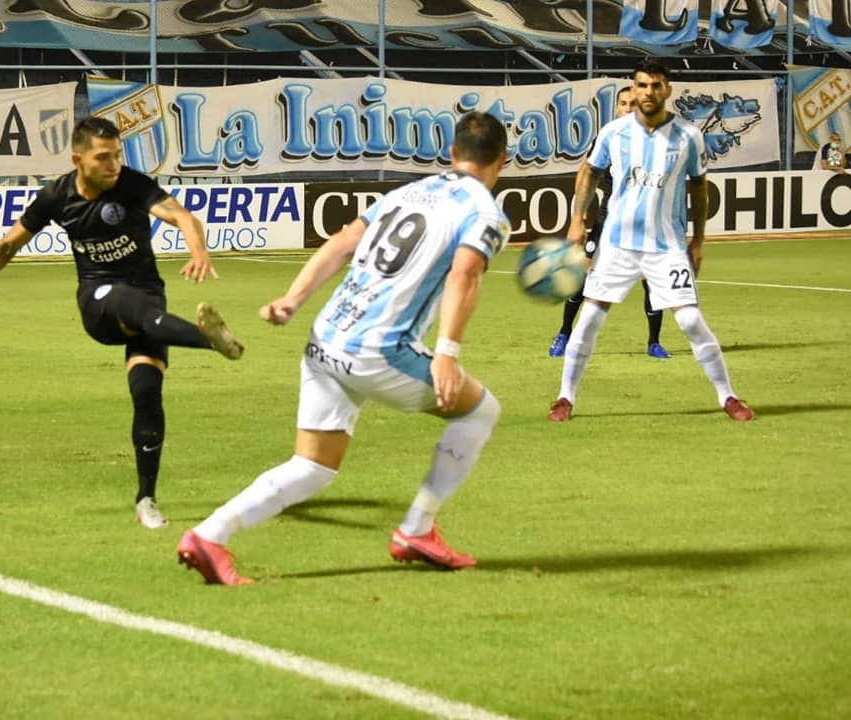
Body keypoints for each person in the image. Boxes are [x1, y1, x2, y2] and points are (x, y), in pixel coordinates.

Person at [176, 112, 512, 585]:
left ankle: (210, 536)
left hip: (327, 338)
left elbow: (342, 242)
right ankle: (416, 529)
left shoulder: (407, 192)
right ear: (503, 160)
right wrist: (446, 353)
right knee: (480, 411)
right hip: (379, 352)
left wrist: (293, 298)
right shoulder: (485, 212)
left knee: (312, 467)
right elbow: (466, 274)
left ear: (452, 155)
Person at [0, 116, 245, 530]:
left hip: (151, 305)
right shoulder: (56, 197)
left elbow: (182, 216)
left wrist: (198, 250)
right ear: (78, 159)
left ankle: (146, 499)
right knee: (129, 303)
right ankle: (207, 339)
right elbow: (5, 247)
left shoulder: (132, 185)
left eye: (118, 156)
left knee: (147, 392)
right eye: (103, 157)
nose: (114, 165)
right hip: (100, 303)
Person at [548, 59, 754, 423]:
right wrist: (576, 221)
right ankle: (565, 397)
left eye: (656, 85)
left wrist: (699, 241)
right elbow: (590, 172)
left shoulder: (688, 135)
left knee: (690, 320)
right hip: (617, 243)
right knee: (590, 318)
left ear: (667, 90)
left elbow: (699, 187)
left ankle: (728, 396)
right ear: (634, 88)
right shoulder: (614, 132)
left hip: (668, 246)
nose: (648, 92)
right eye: (642, 85)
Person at [548, 86, 670, 360]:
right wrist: (578, 217)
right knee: (585, 276)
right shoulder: (608, 139)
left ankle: (654, 342)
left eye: (632, 103)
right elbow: (584, 176)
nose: (628, 108)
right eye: (623, 103)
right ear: (617, 108)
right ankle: (564, 333)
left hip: (646, 225)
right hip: (608, 222)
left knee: (651, 281)